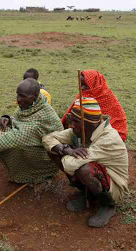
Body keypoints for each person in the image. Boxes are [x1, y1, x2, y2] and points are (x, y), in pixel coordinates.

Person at [43, 97, 129, 228]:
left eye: (76, 122)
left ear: (90, 123)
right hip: (95, 174)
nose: (71, 125)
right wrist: (65, 149)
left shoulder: (108, 138)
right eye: (72, 120)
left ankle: (107, 204)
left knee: (84, 169)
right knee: (54, 149)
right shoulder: (80, 131)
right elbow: (48, 138)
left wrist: (68, 152)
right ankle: (87, 193)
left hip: (113, 187)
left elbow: (70, 165)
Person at [0, 78, 63, 183]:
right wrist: (6, 119)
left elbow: (23, 134)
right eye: (18, 95)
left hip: (47, 158)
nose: (18, 99)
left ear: (34, 96)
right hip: (31, 144)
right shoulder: (28, 105)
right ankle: (20, 172)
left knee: (8, 142)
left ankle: (38, 175)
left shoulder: (45, 114)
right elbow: (18, 121)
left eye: (22, 96)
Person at [61, 70, 128, 142]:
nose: (82, 88)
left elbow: (115, 122)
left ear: (95, 84)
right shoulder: (82, 96)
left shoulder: (107, 97)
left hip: (108, 136)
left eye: (85, 85)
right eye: (80, 85)